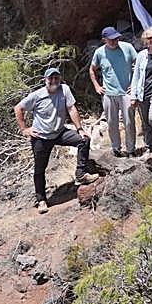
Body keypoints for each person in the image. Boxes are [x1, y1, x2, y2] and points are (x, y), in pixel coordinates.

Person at [14, 67, 98, 214]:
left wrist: (79, 129)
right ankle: (41, 200)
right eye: (50, 78)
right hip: (41, 137)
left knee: (83, 140)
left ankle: (80, 174)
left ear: (60, 79)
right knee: (39, 169)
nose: (54, 81)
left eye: (56, 78)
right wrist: (24, 129)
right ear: (45, 80)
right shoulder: (37, 95)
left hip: (59, 132)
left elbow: (71, 109)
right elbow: (18, 108)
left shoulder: (64, 89)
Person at [89, 26, 138, 157]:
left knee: (129, 122)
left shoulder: (127, 48)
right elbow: (92, 69)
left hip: (126, 92)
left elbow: (139, 65)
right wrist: (97, 86)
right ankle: (116, 148)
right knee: (112, 123)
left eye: (116, 38)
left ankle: (131, 150)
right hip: (109, 93)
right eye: (111, 39)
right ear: (104, 40)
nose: (114, 41)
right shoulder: (99, 52)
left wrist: (134, 85)